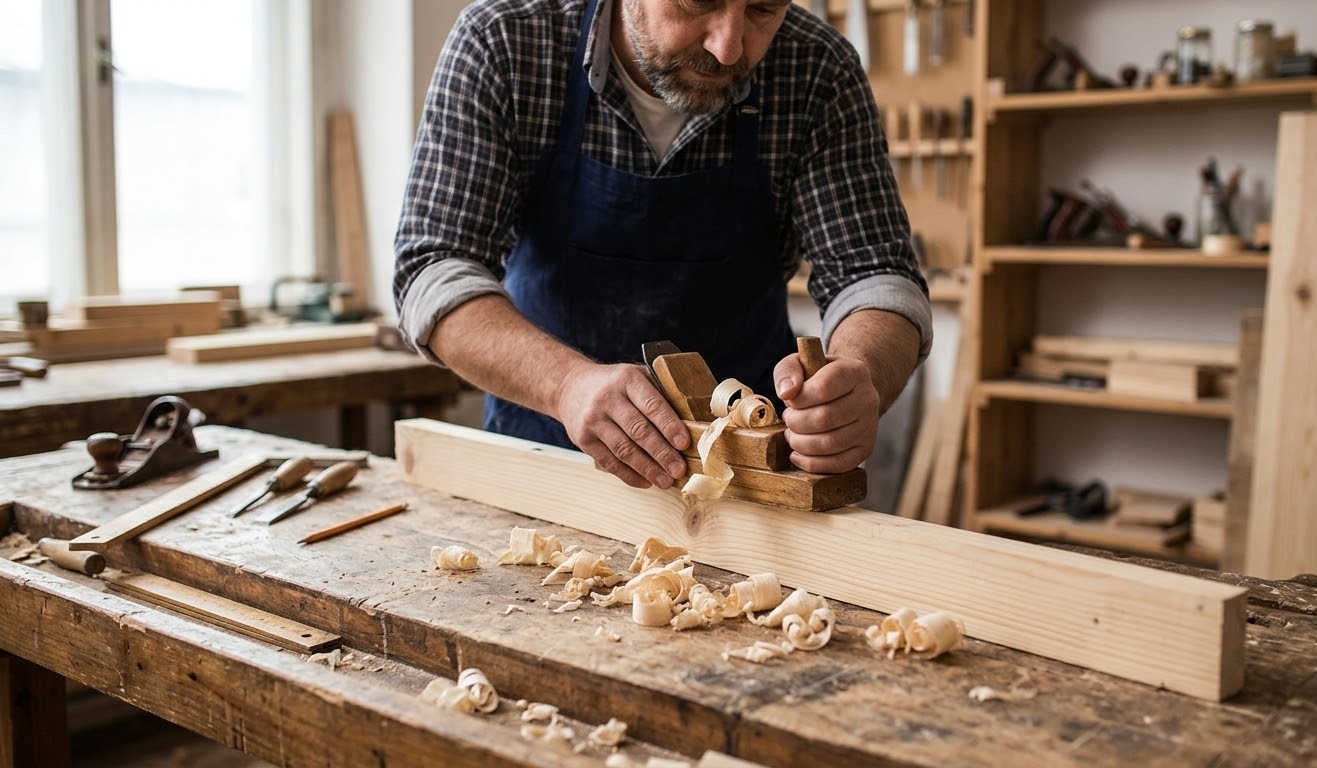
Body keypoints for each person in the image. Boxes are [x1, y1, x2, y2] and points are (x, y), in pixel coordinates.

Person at [393, 0, 931, 493]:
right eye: (699, 1)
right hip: (544, 465)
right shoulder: (504, 42)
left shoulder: (817, 69)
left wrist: (859, 378)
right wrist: (565, 385)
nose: (728, 47)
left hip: (746, 482)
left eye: (763, 9)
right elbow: (433, 269)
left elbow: (875, 276)